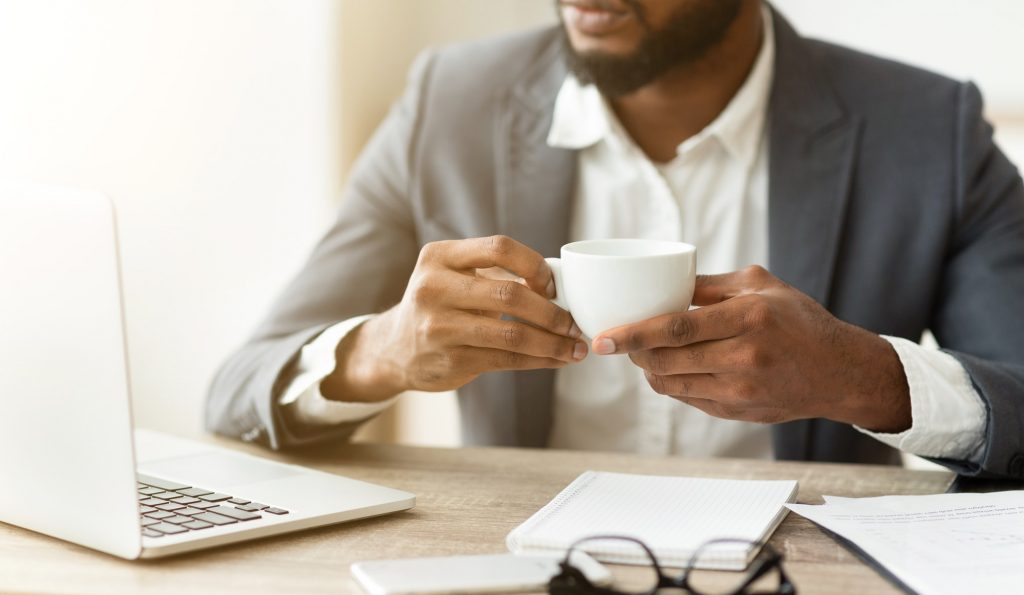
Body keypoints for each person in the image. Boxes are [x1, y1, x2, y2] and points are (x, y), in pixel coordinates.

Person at [206, 0, 1024, 478]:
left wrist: (864, 376)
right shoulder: (448, 106)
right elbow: (238, 388)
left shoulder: (930, 130)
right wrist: (382, 349)